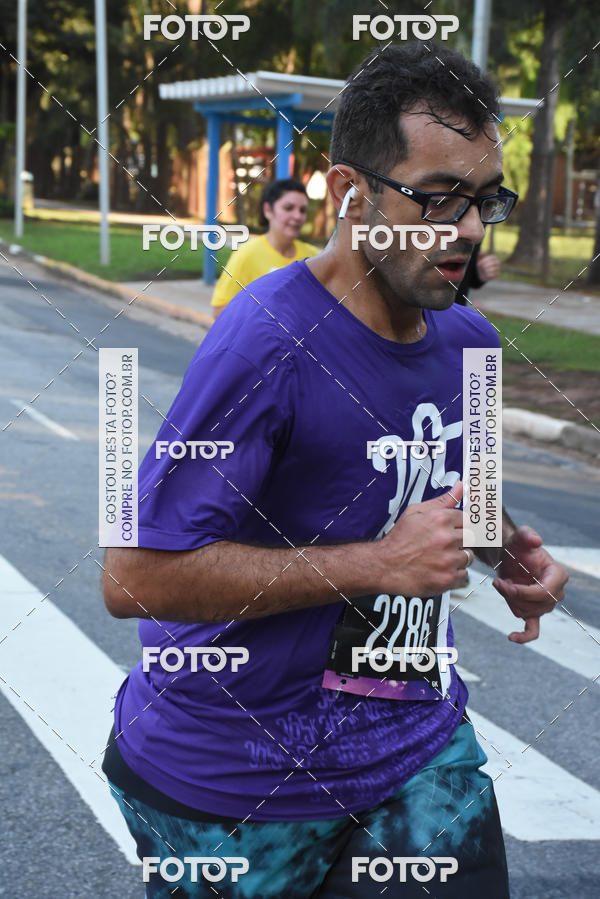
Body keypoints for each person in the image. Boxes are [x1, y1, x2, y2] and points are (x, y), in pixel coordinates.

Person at [102, 42, 568, 899]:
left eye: (484, 199)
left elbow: (467, 481)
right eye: (438, 197)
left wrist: (509, 552)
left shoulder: (473, 342)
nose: (469, 229)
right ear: (351, 192)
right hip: (238, 782)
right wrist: (375, 564)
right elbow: (133, 576)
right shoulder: (265, 343)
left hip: (415, 746)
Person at [210, 177, 318, 318]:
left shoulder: (313, 258)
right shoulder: (247, 255)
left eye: (302, 210)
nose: (297, 216)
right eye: (288, 208)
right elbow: (219, 311)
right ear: (268, 210)